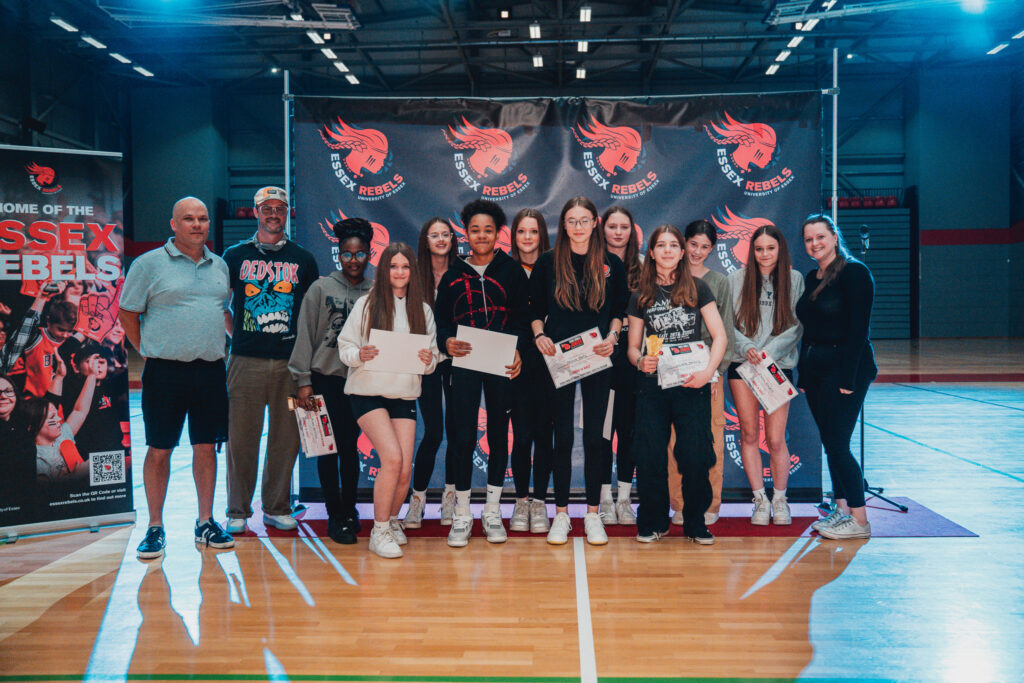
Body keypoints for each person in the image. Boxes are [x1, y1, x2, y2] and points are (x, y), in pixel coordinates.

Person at [118, 196, 234, 560]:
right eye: (188, 219)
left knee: (206, 448)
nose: (197, 225)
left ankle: (205, 522)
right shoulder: (148, 264)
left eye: (202, 219)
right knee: (159, 450)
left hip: (210, 370)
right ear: (173, 224)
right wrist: (148, 349)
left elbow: (221, 310)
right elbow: (127, 314)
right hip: (165, 372)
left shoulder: (220, 265)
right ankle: (155, 527)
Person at [529, 196, 627, 546]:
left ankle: (591, 514)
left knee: (596, 438)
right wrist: (539, 334)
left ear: (594, 223)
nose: (578, 227)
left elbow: (619, 310)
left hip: (598, 358)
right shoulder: (547, 263)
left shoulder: (611, 264)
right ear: (564, 224)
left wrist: (614, 336)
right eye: (572, 220)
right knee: (564, 438)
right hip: (560, 358)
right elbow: (536, 309)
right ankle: (561, 515)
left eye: (584, 220)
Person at [222, 186, 319, 534]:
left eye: (280, 208)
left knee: (286, 438)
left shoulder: (303, 259)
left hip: (290, 364)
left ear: (287, 213)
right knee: (241, 439)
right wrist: (239, 336)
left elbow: (310, 315)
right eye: (267, 208)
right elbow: (222, 305)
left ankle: (276, 506)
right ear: (256, 211)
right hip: (244, 361)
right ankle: (237, 510)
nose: (274, 214)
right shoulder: (233, 256)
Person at [626, 224, 727, 545]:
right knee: (651, 454)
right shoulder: (640, 295)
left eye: (673, 245)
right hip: (653, 387)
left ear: (682, 253)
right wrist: (640, 361)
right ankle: (655, 521)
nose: (667, 250)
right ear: (651, 253)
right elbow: (632, 346)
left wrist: (708, 372)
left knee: (696, 455)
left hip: (692, 383)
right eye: (661, 245)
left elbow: (720, 336)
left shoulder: (699, 288)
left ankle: (696, 522)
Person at [434, 200, 527, 547]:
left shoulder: (511, 271)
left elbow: (521, 318)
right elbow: (442, 319)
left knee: (499, 434)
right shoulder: (454, 273)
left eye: (488, 229)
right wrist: (447, 341)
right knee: (461, 436)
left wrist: (519, 349)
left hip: (501, 362)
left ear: (498, 233)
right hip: (466, 362)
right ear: (466, 232)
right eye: (475, 229)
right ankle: (461, 513)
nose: (482, 235)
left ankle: (492, 510)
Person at [337, 243, 438, 558]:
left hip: (402, 393)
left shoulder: (421, 310)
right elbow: (345, 346)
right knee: (392, 458)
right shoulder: (366, 304)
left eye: (405, 266)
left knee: (404, 468)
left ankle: (392, 519)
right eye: (393, 266)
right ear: (384, 270)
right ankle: (378, 531)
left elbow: (432, 358)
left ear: (412, 272)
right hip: (367, 391)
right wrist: (359, 355)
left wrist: (427, 360)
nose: (399, 272)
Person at [289, 217, 373, 544]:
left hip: (358, 384)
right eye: (347, 254)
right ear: (339, 255)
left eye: (360, 254)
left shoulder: (375, 291)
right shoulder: (320, 288)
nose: (354, 260)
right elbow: (305, 337)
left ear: (369, 255)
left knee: (350, 451)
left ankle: (350, 509)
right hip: (322, 381)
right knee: (326, 451)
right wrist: (302, 381)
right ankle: (334, 514)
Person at [796, 214, 877, 540]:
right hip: (816, 371)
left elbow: (859, 332)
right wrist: (804, 374)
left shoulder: (855, 273)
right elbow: (810, 331)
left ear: (834, 236)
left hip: (846, 371)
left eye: (820, 237)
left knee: (839, 446)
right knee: (831, 444)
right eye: (809, 239)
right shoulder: (812, 277)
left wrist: (848, 379)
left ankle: (859, 520)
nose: (814, 244)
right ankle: (841, 510)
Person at [727, 225, 804, 525]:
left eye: (770, 248)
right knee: (748, 433)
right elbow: (727, 323)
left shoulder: (794, 279)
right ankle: (759, 499)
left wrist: (768, 353)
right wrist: (747, 347)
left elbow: (797, 325)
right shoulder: (737, 279)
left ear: (780, 249)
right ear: (752, 251)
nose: (764, 254)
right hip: (742, 365)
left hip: (776, 366)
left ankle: (780, 500)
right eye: (759, 249)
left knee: (774, 439)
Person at [668, 220, 735, 527]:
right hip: (672, 372)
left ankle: (710, 504)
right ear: (683, 243)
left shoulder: (719, 282)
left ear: (712, 249)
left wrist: (715, 372)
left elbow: (726, 334)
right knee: (672, 441)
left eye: (704, 247)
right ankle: (679, 504)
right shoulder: (667, 276)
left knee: (711, 440)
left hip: (708, 372)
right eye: (693, 244)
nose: (697, 252)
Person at [405, 217, 458, 528]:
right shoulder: (414, 275)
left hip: (454, 359)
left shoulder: (461, 273)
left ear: (452, 239)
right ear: (425, 240)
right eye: (434, 235)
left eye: (445, 234)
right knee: (434, 433)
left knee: (456, 432)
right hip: (424, 362)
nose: (440, 239)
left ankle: (450, 498)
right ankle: (418, 499)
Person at [508, 208, 554, 534]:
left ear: (542, 236)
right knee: (521, 436)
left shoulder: (554, 268)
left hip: (550, 363)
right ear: (514, 236)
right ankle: (521, 501)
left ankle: (540, 502)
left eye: (533, 232)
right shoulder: (504, 270)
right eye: (522, 232)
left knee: (544, 436)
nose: (527, 238)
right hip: (514, 363)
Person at [598, 206, 642, 526]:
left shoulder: (645, 268)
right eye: (612, 226)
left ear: (632, 231)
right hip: (600, 359)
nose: (617, 232)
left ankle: (625, 499)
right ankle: (603, 499)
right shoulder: (592, 266)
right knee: (602, 433)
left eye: (623, 226)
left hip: (634, 362)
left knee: (628, 433)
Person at [28, 355, 97, 487]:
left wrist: (92, 375)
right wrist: (77, 476)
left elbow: (79, 411)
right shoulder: (34, 458)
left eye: (57, 415)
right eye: (52, 418)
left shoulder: (62, 435)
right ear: (34, 425)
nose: (59, 419)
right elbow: (44, 494)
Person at [5, 283, 77, 398]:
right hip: (33, 400)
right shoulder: (36, 336)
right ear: (48, 321)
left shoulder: (71, 343)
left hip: (56, 402)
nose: (65, 335)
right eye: (61, 329)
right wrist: (42, 296)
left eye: (70, 331)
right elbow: (27, 324)